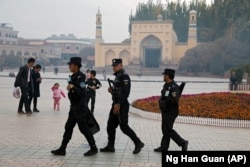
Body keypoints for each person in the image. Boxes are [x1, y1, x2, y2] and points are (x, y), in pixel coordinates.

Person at [51, 57, 98, 156]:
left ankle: (93, 148)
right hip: (74, 106)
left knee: (84, 128)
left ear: (76, 66)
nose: (69, 66)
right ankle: (62, 148)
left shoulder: (80, 77)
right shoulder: (73, 76)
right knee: (68, 127)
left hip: (80, 107)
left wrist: (73, 87)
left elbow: (82, 92)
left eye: (70, 65)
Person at [100, 58, 144, 154]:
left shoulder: (124, 77)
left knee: (124, 127)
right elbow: (118, 92)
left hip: (121, 105)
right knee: (110, 126)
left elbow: (125, 93)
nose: (114, 68)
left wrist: (118, 104)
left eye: (116, 66)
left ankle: (138, 143)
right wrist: (112, 91)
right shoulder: (118, 76)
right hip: (115, 104)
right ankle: (110, 146)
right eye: (113, 66)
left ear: (121, 65)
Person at [154, 69, 188, 152]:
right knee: (165, 129)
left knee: (168, 129)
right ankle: (164, 147)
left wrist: (166, 100)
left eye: (164, 75)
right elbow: (165, 96)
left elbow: (175, 99)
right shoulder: (167, 85)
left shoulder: (174, 87)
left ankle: (182, 142)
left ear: (168, 76)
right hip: (166, 110)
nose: (163, 76)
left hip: (171, 111)